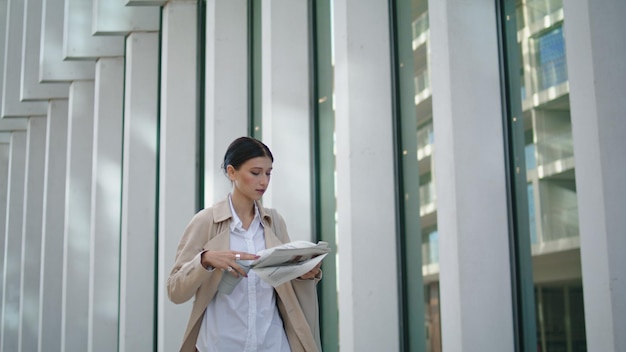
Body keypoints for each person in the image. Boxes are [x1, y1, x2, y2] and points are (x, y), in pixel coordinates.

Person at [167, 136, 322, 352]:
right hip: (221, 345)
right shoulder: (206, 221)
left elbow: (285, 285)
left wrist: (303, 273)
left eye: (268, 173)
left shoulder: (275, 222)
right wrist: (204, 260)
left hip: (273, 344)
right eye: (255, 173)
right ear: (232, 172)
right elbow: (175, 291)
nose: (264, 182)